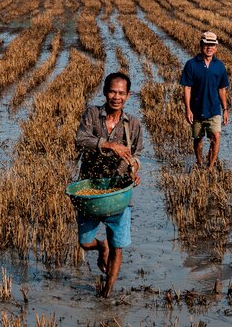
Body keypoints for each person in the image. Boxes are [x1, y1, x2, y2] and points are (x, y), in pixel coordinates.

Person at [75, 72, 143, 298]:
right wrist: (109, 145)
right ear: (105, 92)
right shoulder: (93, 114)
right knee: (85, 242)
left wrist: (134, 170)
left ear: (128, 95)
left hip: (119, 192)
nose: (117, 97)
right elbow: (81, 139)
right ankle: (100, 246)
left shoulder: (133, 124)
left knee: (118, 246)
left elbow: (137, 156)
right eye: (113, 91)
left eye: (121, 93)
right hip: (91, 188)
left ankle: (106, 292)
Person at [180, 31, 230, 169]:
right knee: (198, 139)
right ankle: (199, 162)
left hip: (214, 108)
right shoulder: (191, 64)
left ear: (216, 47)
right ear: (201, 45)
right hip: (197, 109)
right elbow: (187, 88)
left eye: (212, 45)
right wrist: (188, 109)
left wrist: (225, 109)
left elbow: (222, 89)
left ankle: (210, 167)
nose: (209, 47)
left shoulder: (219, 66)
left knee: (216, 137)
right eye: (206, 44)